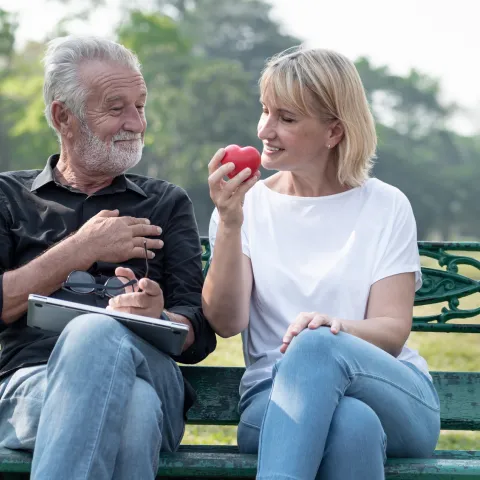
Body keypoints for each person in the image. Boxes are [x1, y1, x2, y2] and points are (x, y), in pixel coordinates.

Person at [203, 46, 440, 480]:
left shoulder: (386, 205)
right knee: (352, 426)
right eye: (265, 111)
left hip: (395, 396)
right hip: (272, 399)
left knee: (315, 343)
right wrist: (232, 224)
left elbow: (391, 331)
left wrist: (332, 330)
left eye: (287, 119)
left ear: (334, 131)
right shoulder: (243, 207)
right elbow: (225, 321)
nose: (265, 129)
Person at [0, 35, 216, 479]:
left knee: (95, 335)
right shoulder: (7, 197)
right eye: (117, 108)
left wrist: (162, 317)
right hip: (32, 384)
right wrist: (81, 249)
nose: (136, 122)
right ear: (65, 117)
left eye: (141, 106)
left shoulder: (165, 202)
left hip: (152, 373)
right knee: (133, 414)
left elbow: (199, 328)